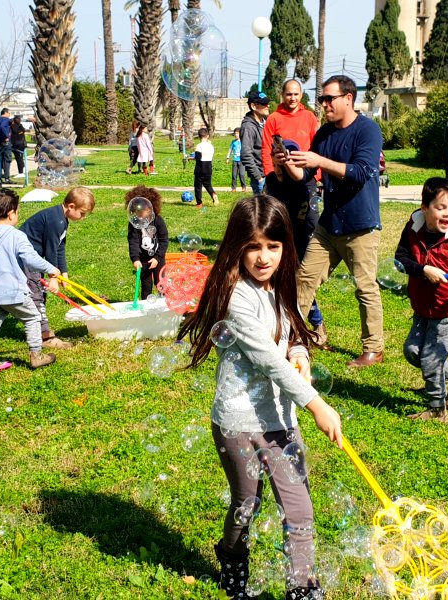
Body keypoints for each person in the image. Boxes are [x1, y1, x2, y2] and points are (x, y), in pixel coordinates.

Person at [178, 195, 342, 600]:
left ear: (286, 245)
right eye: (253, 246)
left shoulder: (279, 288)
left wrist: (300, 353)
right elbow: (268, 359)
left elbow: (290, 336)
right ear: (237, 247)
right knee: (246, 504)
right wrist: (316, 403)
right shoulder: (236, 298)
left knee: (299, 508)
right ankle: (231, 559)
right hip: (238, 421)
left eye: (273, 246)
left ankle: (303, 586)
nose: (264, 257)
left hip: (281, 421)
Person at [287, 75, 385, 368]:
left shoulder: (367, 131)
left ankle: (373, 349)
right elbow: (306, 176)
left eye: (329, 98)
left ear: (349, 98)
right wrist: (291, 163)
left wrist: (320, 162)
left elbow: (361, 172)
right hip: (329, 225)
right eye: (322, 99)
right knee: (303, 279)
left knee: (365, 288)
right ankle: (291, 338)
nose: (324, 104)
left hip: (361, 226)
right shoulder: (325, 133)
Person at [394, 178, 448, 422]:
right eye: (441, 207)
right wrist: (424, 269)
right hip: (424, 304)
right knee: (413, 352)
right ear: (425, 207)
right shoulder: (414, 229)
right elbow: (401, 257)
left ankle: (436, 409)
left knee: (431, 359)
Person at [0, 189, 61, 371]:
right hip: (14, 292)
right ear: (11, 214)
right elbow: (31, 258)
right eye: (17, 212)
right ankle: (36, 356)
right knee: (32, 317)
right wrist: (51, 269)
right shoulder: (16, 235)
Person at [266, 138, 326, 345]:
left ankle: (316, 322)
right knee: (280, 280)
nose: (280, 164)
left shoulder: (303, 181)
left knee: (299, 281)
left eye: (285, 158)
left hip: (304, 236)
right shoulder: (271, 181)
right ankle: (280, 323)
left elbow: (308, 218)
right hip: (280, 237)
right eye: (277, 158)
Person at [20, 186, 95, 349]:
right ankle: (44, 336)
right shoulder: (55, 221)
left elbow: (60, 247)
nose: (82, 218)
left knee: (37, 296)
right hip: (26, 261)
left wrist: (64, 274)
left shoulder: (61, 219)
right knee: (36, 297)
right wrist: (53, 277)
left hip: (35, 260)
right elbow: (51, 251)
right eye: (82, 213)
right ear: (71, 207)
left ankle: (36, 328)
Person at [261, 79, 320, 180]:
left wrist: (317, 176)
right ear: (282, 95)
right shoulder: (273, 118)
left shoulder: (309, 117)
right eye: (289, 94)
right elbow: (266, 149)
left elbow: (317, 147)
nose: (293, 98)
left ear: (301, 95)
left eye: (296, 94)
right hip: (282, 176)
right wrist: (270, 175)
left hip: (306, 175)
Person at [126, 185, 169, 299]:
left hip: (157, 258)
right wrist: (135, 259)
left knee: (161, 284)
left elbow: (164, 241)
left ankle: (164, 303)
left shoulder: (158, 221)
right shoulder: (133, 224)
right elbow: (133, 242)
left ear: (150, 208)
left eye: (142, 211)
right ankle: (146, 306)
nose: (139, 214)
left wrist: (157, 257)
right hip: (143, 260)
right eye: (136, 211)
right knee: (146, 285)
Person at [240, 91, 271, 193]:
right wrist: (259, 177)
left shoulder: (266, 122)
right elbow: (246, 155)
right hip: (261, 177)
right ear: (253, 106)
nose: (268, 106)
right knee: (263, 208)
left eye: (267, 103)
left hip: (271, 173)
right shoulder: (248, 126)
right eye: (264, 104)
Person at [193, 127, 219, 206]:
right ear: (207, 136)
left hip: (200, 168)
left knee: (198, 186)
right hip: (208, 167)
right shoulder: (211, 146)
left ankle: (199, 203)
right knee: (207, 184)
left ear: (199, 136)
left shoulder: (199, 146)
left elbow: (198, 158)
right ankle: (213, 194)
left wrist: (190, 158)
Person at [226, 127, 247, 192]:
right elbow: (230, 150)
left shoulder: (244, 141)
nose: (236, 135)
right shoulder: (233, 142)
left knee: (242, 174)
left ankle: (243, 187)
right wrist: (228, 158)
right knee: (234, 175)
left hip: (242, 161)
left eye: (237, 133)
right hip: (235, 160)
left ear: (240, 134)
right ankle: (233, 188)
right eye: (235, 133)